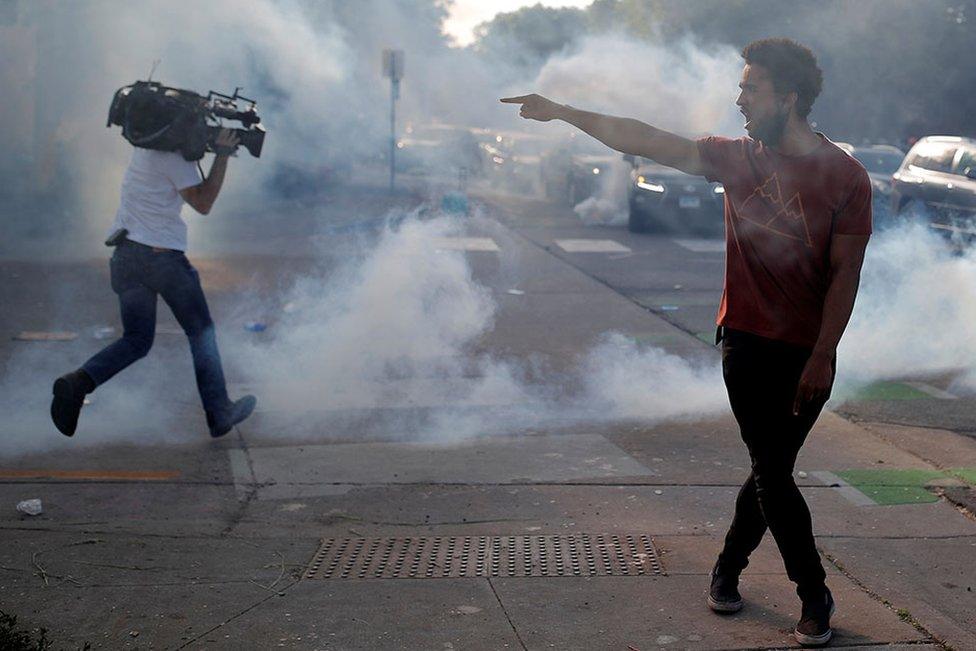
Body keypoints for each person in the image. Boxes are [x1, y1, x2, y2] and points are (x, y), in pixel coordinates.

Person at [502, 37, 871, 647]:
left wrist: (824, 353)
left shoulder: (845, 176)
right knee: (773, 471)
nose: (739, 97)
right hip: (746, 343)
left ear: (789, 97)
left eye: (752, 87)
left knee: (768, 471)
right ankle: (814, 597)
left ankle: (727, 570)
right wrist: (565, 111)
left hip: (807, 353)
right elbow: (644, 138)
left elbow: (846, 272)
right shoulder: (735, 157)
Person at [51, 129, 256, 439]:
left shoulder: (143, 149)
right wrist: (223, 155)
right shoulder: (176, 160)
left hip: (126, 257)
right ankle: (218, 412)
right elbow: (203, 203)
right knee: (201, 333)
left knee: (136, 340)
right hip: (162, 262)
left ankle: (77, 383)